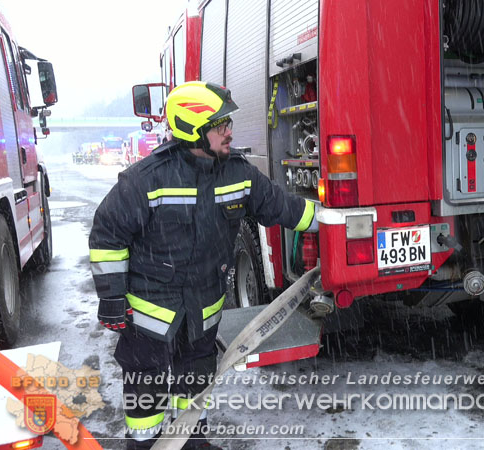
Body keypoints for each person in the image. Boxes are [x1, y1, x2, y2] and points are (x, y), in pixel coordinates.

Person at [89, 81, 318, 450]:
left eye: (228, 123)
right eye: (220, 124)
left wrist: (332, 221)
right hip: (149, 313)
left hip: (204, 308)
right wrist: (113, 300)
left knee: (195, 379)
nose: (229, 131)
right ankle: (144, 444)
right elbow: (106, 236)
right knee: (146, 385)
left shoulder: (238, 173)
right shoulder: (145, 180)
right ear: (193, 128)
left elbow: (283, 207)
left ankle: (191, 440)